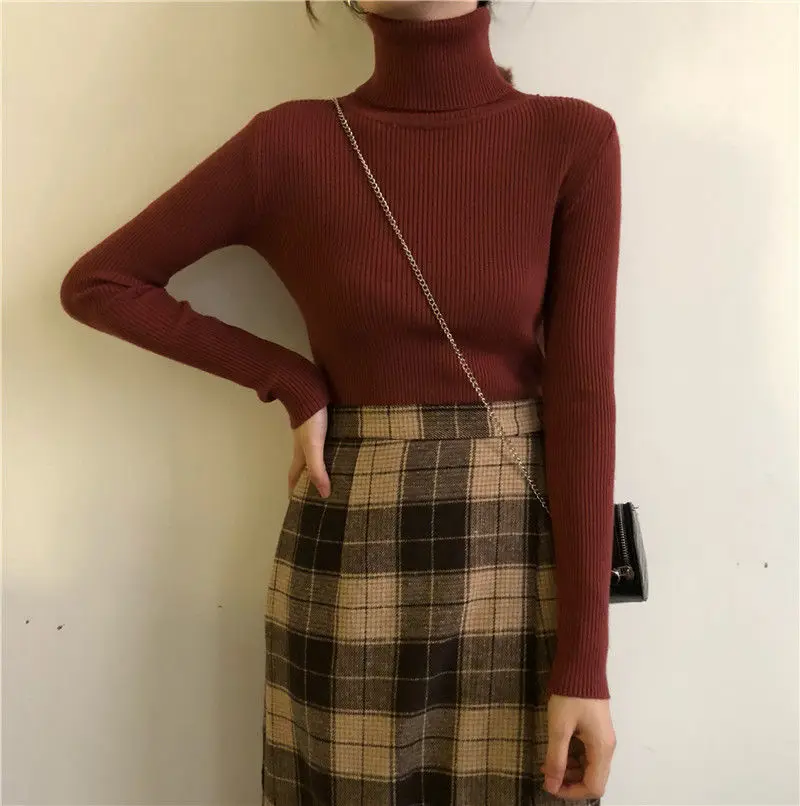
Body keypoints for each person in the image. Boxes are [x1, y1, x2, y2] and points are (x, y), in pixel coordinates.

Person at [60, 1, 621, 803]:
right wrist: (291, 379)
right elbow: (100, 284)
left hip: (516, 562)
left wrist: (586, 663)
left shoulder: (572, 138)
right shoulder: (290, 144)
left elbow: (583, 400)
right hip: (354, 563)